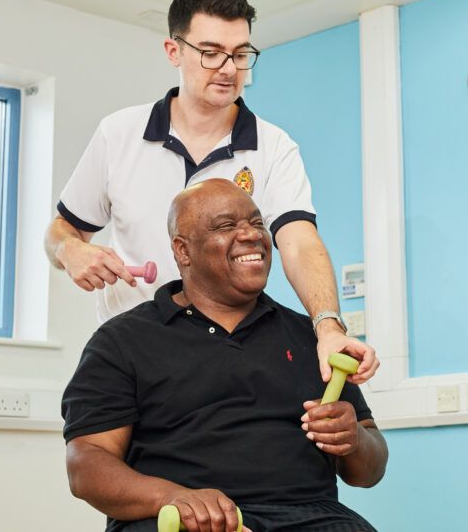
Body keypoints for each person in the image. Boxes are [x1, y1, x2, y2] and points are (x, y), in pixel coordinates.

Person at [45, 0, 376, 385]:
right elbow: (61, 231)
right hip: (130, 351)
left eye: (240, 54)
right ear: (174, 51)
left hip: (230, 352)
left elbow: (299, 242)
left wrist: (328, 326)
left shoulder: (274, 147)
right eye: (211, 53)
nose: (228, 68)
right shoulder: (118, 134)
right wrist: (71, 250)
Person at [62, 179, 388, 532]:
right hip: (181, 519)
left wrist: (353, 437)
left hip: (311, 517)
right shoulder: (122, 341)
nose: (251, 235)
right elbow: (86, 464)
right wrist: (171, 497)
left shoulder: (314, 340)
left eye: (257, 222)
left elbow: (368, 471)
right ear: (183, 250)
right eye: (227, 225)